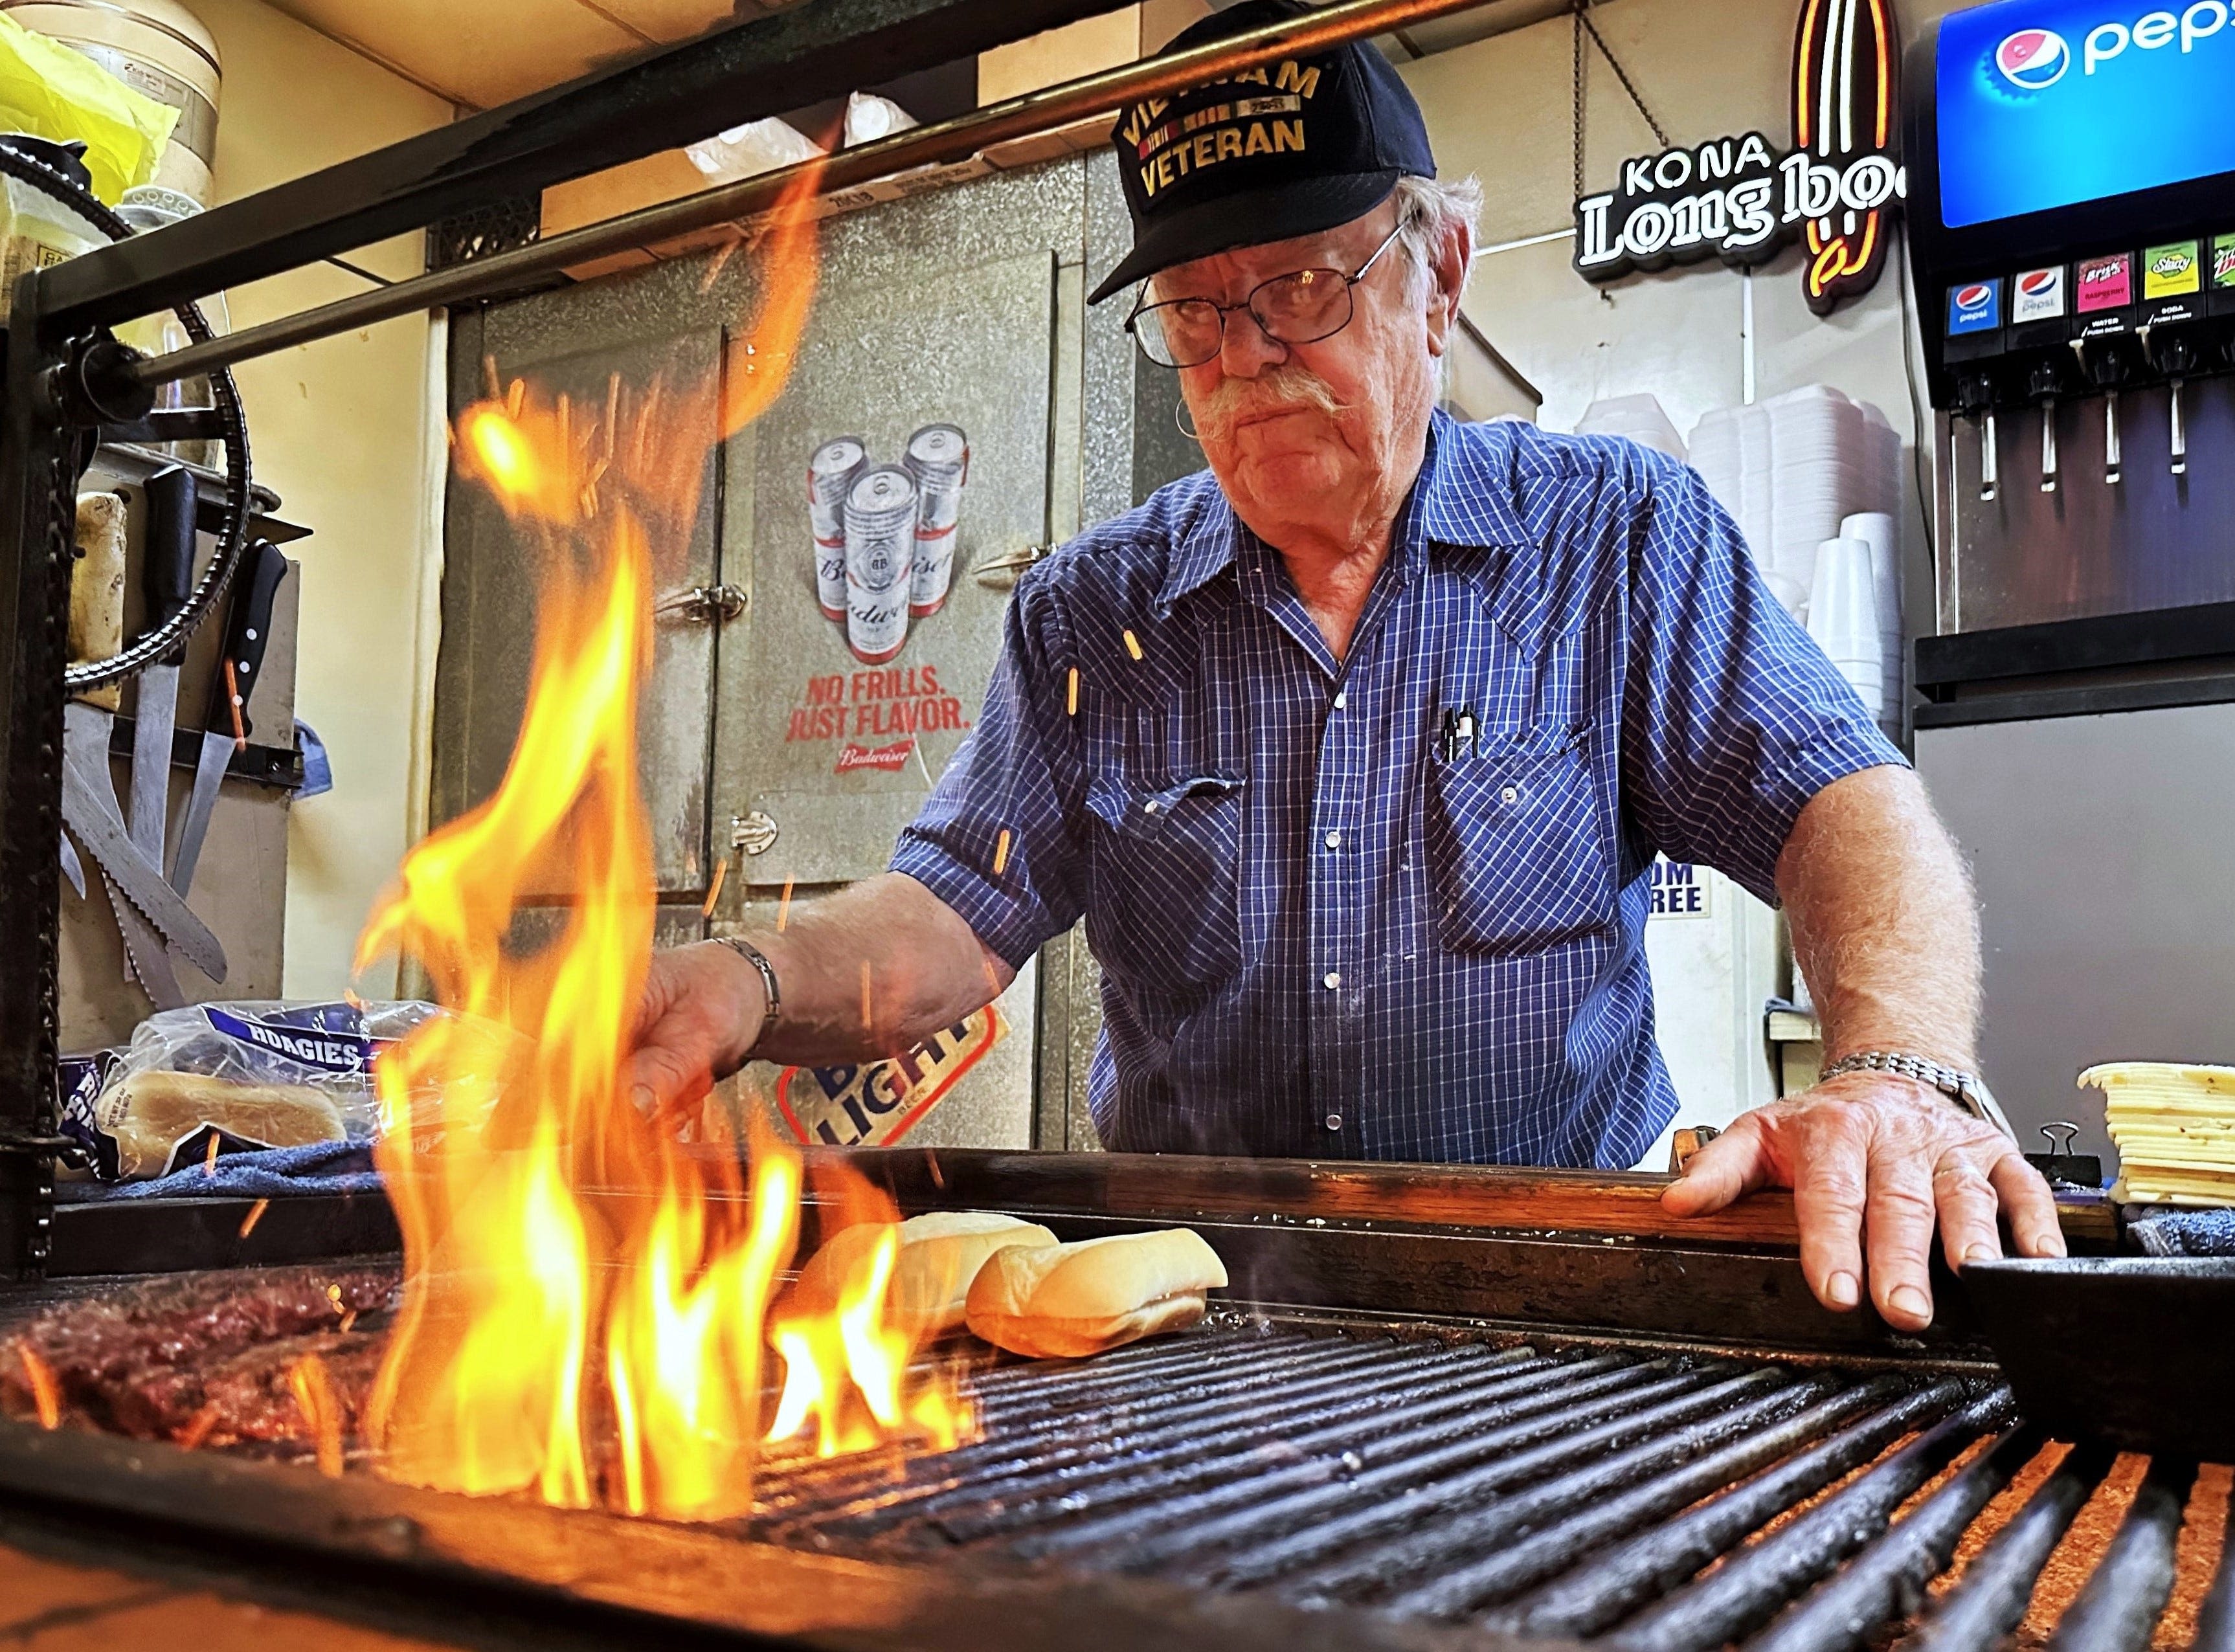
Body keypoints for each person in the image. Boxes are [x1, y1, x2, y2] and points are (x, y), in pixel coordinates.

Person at [627, 0, 2064, 1329]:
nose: (1246, 356)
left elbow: (1838, 806)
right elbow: (949, 911)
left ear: (1436, 273)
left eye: (1304, 286)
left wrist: (1897, 1068)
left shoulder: (1615, 536)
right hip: (1194, 1316)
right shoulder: (1089, 614)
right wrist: (748, 979)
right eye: (1194, 312)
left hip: (1549, 1287)